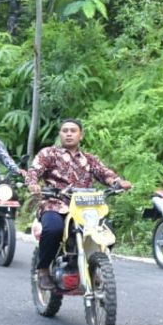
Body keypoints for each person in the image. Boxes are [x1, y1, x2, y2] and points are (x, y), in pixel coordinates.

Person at [25, 118, 132, 290]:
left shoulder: (89, 159)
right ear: (60, 134)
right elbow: (34, 171)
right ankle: (43, 269)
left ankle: (94, 266)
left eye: (73, 131)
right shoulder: (49, 154)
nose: (68, 134)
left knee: (108, 232)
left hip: (85, 208)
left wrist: (118, 182)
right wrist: (32, 183)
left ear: (80, 135)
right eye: (65, 130)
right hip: (55, 203)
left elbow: (105, 173)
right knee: (53, 230)